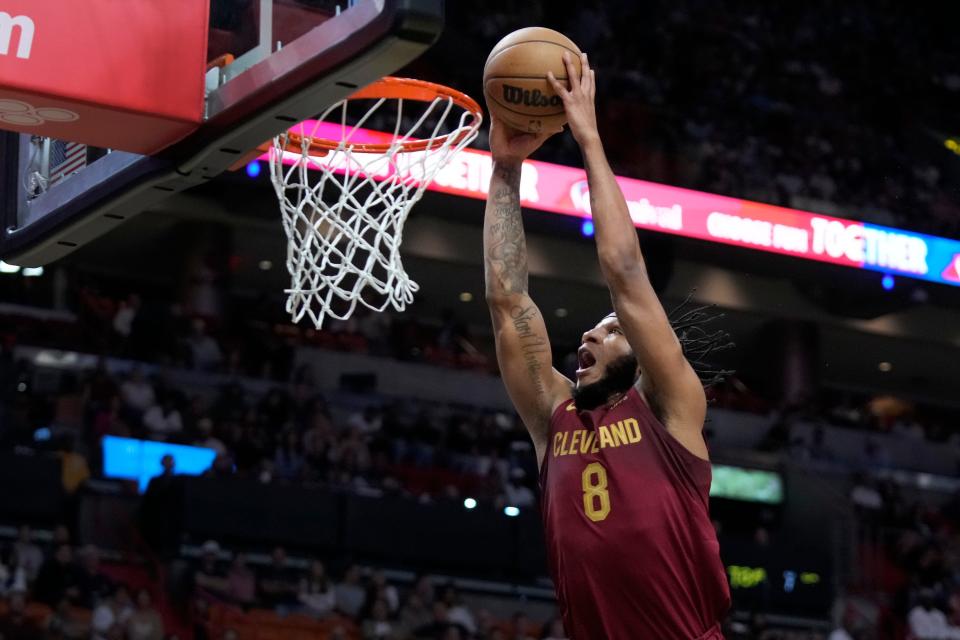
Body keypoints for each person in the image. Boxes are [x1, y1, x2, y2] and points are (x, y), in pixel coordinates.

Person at [482, 51, 730, 640]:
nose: (590, 333)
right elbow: (508, 300)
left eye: (614, 329)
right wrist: (504, 168)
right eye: (596, 327)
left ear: (645, 356)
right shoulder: (554, 418)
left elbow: (624, 270)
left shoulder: (669, 408)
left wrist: (589, 138)